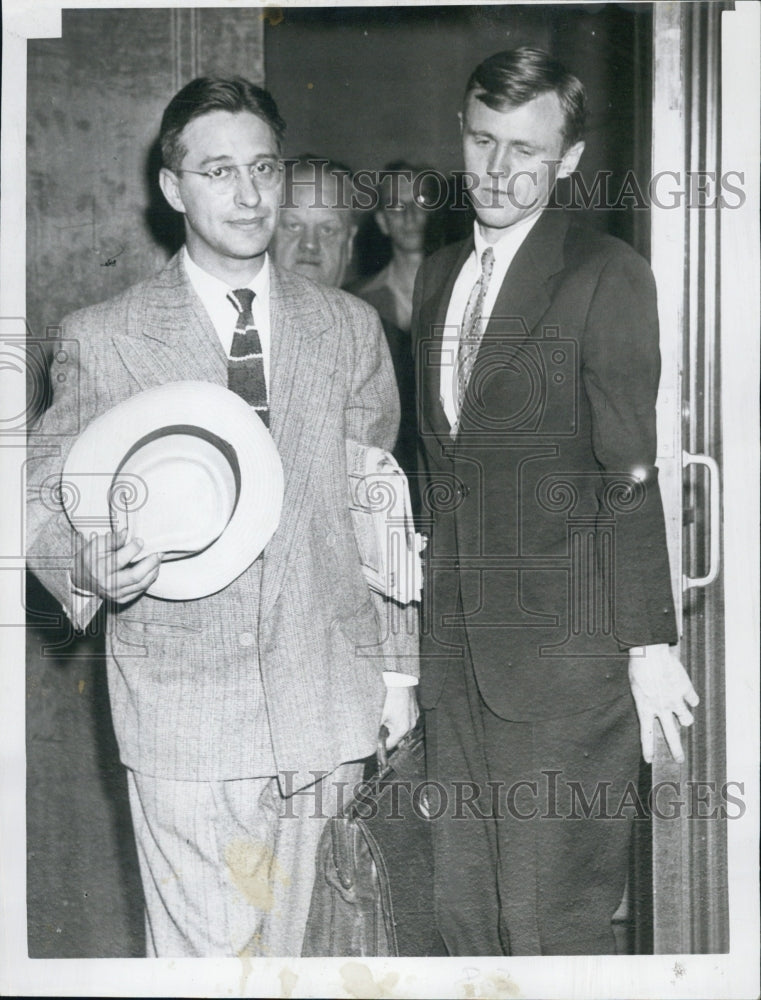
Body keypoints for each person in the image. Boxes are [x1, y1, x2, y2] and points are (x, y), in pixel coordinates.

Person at [26, 76, 418, 958]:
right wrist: (87, 565)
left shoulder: (350, 330)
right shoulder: (107, 335)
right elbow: (43, 496)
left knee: (308, 966)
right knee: (206, 974)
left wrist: (395, 675)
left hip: (326, 707)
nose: (247, 195)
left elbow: (376, 508)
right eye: (217, 171)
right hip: (183, 714)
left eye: (263, 168)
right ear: (173, 189)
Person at [412, 47, 699, 956]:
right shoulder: (436, 275)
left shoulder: (605, 273)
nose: (498, 170)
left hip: (567, 665)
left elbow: (628, 469)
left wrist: (648, 641)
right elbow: (441, 466)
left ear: (567, 161)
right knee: (462, 916)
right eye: (482, 140)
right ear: (461, 134)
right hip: (455, 656)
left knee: (546, 927)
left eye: (525, 150)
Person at [272, 156, 421, 520]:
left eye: (327, 230)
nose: (309, 245)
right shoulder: (232, 330)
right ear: (267, 230)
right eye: (293, 226)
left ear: (350, 241)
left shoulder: (391, 349)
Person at [353, 160, 430, 333]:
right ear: (382, 222)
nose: (409, 216)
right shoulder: (360, 299)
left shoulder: (462, 287)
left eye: (421, 201)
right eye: (396, 206)